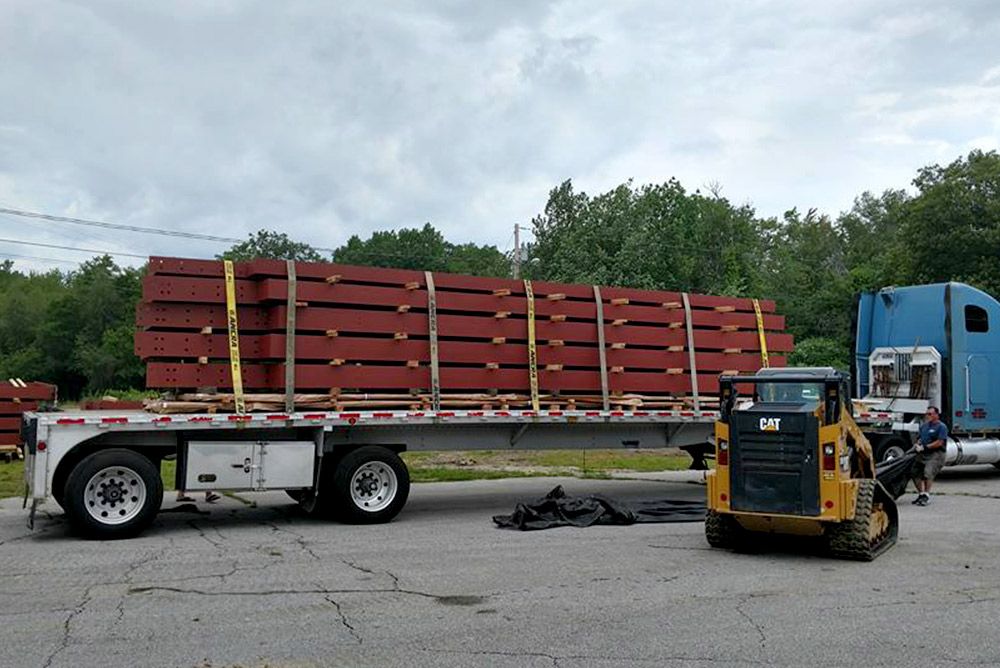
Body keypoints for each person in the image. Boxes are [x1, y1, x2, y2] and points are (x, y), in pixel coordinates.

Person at [912, 406, 948, 506]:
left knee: (928, 472)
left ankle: (927, 495)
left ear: (936, 415)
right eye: (927, 414)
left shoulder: (941, 427)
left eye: (930, 414)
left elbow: (939, 442)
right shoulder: (924, 426)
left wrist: (925, 447)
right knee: (914, 471)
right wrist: (918, 444)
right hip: (923, 453)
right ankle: (921, 494)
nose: (927, 416)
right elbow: (920, 438)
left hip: (936, 454)